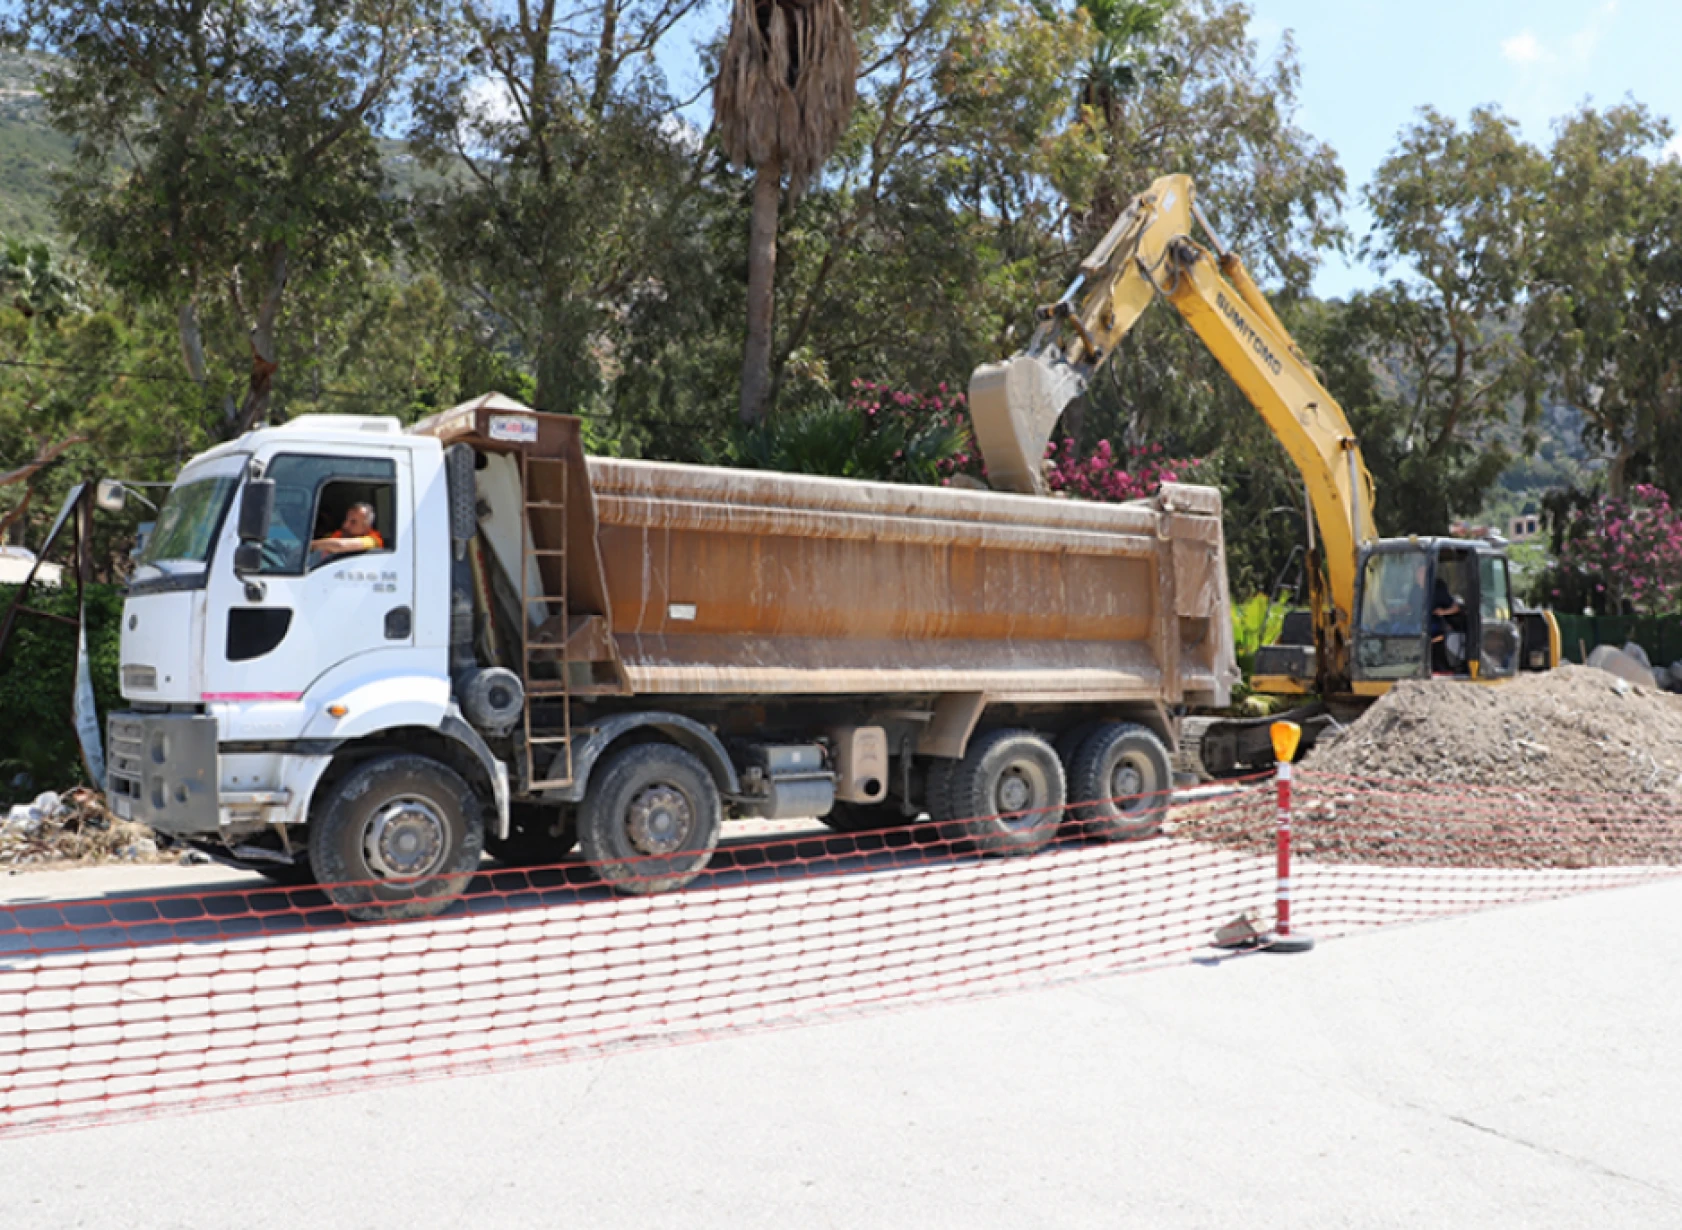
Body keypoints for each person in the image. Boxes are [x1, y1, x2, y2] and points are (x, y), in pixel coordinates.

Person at [310, 503, 384, 557]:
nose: (345, 525)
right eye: (346, 519)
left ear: (366, 527)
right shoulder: (340, 533)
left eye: (353, 522)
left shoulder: (373, 540)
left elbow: (340, 545)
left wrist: (310, 545)